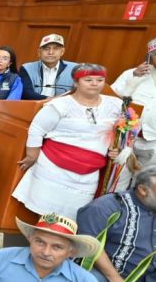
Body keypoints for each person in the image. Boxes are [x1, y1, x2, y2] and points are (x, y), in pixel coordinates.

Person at [13, 64, 124, 219]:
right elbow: (37, 129)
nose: (94, 83)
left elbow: (123, 132)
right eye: (88, 80)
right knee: (47, 212)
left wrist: (117, 148)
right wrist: (32, 155)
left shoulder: (116, 105)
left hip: (89, 170)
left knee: (74, 214)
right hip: (54, 164)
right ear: (76, 82)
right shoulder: (60, 104)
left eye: (100, 80)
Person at [111, 36, 156, 182]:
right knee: (117, 181)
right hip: (126, 138)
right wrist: (134, 77)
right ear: (150, 55)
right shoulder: (131, 73)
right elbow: (112, 98)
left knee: (149, 182)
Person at [19, 34, 75, 100]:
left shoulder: (74, 68)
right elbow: (26, 93)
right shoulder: (27, 68)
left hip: (64, 105)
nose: (50, 52)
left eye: (55, 49)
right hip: (36, 104)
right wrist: (49, 99)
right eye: (46, 49)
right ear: (39, 52)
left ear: (62, 52)